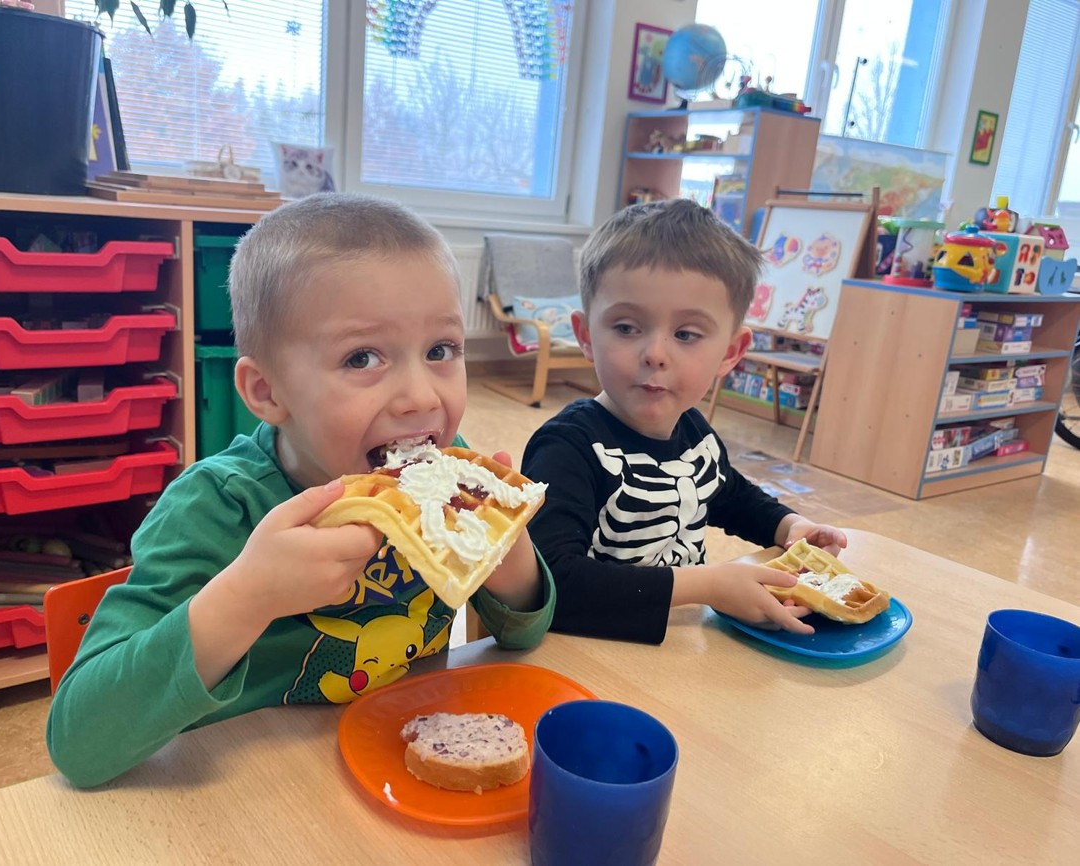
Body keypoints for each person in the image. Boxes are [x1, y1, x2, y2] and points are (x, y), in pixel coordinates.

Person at [48, 194, 555, 787]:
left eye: (440, 351)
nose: (421, 397)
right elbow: (78, 743)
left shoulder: (447, 472)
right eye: (362, 358)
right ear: (267, 391)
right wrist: (247, 596)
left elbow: (524, 634)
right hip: (258, 793)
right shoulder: (213, 508)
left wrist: (502, 549)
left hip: (398, 766)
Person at [521, 199, 844, 644]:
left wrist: (790, 527)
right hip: (587, 653)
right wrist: (709, 585)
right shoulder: (565, 449)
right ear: (586, 336)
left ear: (730, 352)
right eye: (627, 327)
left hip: (681, 647)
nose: (655, 353)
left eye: (686, 334)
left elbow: (730, 494)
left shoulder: (693, 431)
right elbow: (550, 585)